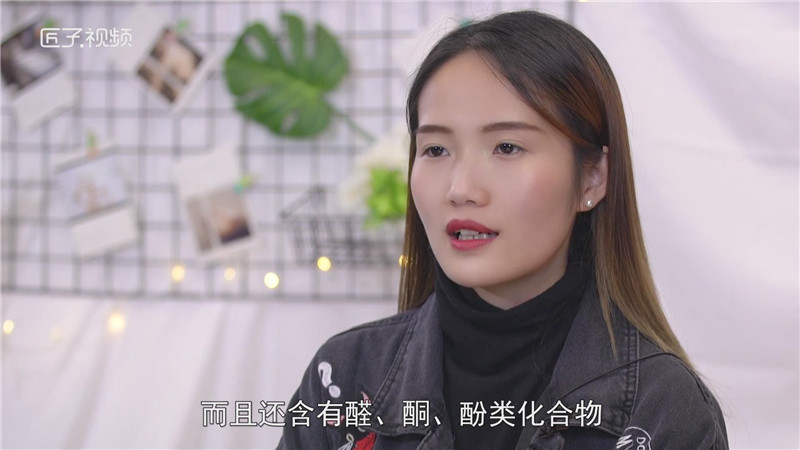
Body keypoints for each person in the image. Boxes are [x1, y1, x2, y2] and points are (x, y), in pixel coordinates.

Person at [277, 10, 728, 450]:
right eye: (435, 150)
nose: (460, 189)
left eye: (507, 147)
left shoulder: (660, 408)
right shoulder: (343, 378)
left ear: (592, 177)